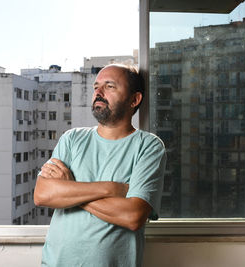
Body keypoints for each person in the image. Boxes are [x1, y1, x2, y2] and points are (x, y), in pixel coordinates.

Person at [34, 64, 166, 267]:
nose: (98, 92)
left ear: (134, 99)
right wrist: (111, 189)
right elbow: (42, 195)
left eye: (110, 86)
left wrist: (71, 189)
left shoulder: (148, 146)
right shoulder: (72, 139)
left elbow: (133, 216)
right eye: (96, 86)